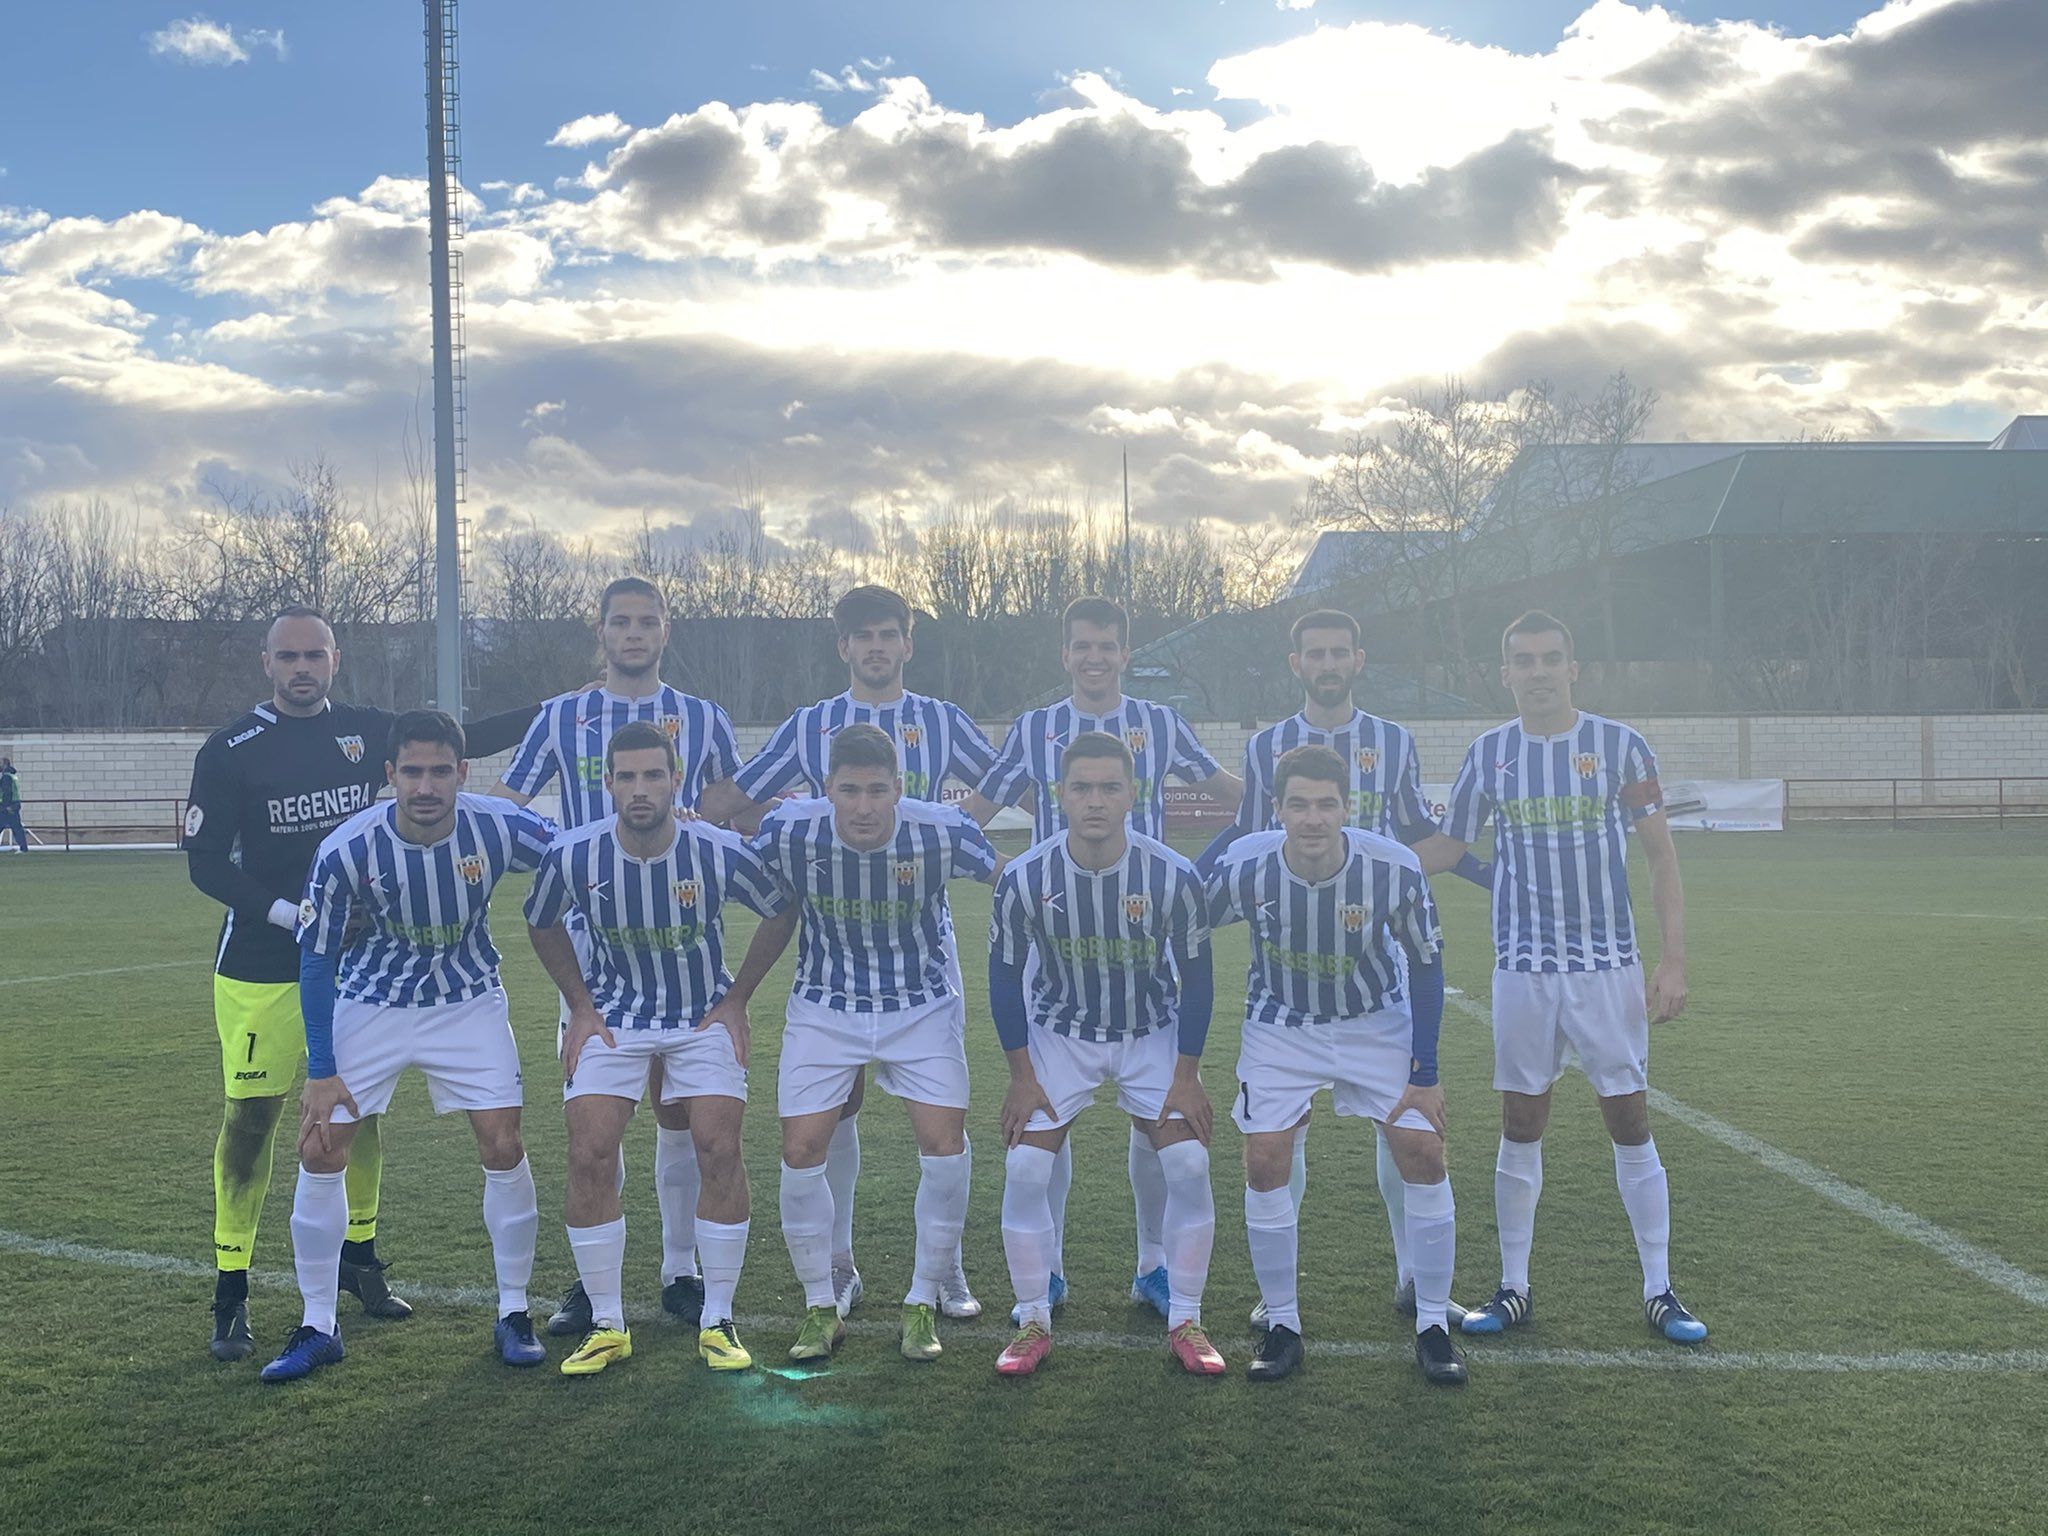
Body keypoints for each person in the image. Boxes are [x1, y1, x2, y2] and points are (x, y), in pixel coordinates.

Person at [183, 605, 541, 1362]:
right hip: (263, 957)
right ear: (267, 663)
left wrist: (562, 707)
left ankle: (360, 1262)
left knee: (357, 1121)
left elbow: (461, 736)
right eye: (289, 656)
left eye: (316, 654)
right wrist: (289, 912)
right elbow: (206, 862)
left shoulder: (369, 732)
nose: (303, 668)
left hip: (367, 964)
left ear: (336, 659)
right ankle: (232, 1286)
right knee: (258, 1119)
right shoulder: (230, 750)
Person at [696, 584, 995, 1322]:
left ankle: (946, 1268)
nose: (876, 647)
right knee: (835, 1110)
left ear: (907, 642)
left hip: (922, 951)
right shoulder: (812, 726)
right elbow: (744, 794)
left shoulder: (940, 721)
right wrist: (678, 827)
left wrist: (947, 834)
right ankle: (838, 1263)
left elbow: (1009, 787)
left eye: (889, 634)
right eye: (863, 636)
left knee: (939, 1127)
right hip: (830, 944)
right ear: (843, 647)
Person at [1413, 610, 1705, 1345]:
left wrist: (1671, 962)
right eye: (1522, 660)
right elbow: (1450, 847)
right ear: (1503, 671)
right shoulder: (1489, 755)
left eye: (1550, 659)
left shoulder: (1618, 747)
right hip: (1523, 970)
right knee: (1520, 1122)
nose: (1537, 672)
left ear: (1573, 668)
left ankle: (1659, 1288)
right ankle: (1514, 1287)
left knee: (1629, 1119)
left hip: (1607, 969)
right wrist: (1359, 860)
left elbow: (1661, 856)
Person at [963, 596, 1243, 1326]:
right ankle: (1046, 1274)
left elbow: (1231, 796)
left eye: (1107, 646)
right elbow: (980, 809)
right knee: (1044, 1126)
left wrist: (1287, 816)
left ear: (1125, 652)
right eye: (1082, 645)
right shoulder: (1035, 729)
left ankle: (1154, 1265)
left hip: (1149, 940)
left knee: (1158, 1131)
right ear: (1066, 654)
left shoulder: (1160, 724)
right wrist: (981, 862)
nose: (1094, 657)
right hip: (1058, 935)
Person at [258, 712, 555, 1381]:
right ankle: (317, 1324)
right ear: (389, 775)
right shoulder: (346, 849)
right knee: (320, 1144)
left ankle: (513, 1312)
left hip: (467, 1002)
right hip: (372, 1004)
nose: (426, 786)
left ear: (462, 773)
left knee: (503, 1144)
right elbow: (316, 961)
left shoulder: (497, 825)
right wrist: (322, 1071)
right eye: (412, 772)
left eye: (440, 771)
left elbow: (580, 851)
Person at [1195, 608, 1470, 1329]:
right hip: (1286, 965)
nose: (1327, 662)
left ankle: (1418, 1275)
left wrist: (1487, 869)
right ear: (1296, 662)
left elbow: (1413, 827)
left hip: (1371, 955)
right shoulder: (1265, 749)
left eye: (1338, 651)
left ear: (1357, 658)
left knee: (1404, 1133)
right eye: (1314, 651)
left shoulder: (1393, 741)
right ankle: (1278, 1298)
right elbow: (1243, 838)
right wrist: (1180, 886)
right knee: (1279, 1142)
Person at [490, 575, 741, 1339]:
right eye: (620, 622)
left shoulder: (701, 718)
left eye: (647, 622)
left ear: (667, 631)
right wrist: (564, 854)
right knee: (595, 1126)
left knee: (677, 1114)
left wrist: (712, 823)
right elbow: (511, 803)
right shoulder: (562, 716)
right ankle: (589, 1285)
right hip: (592, 959)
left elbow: (733, 802)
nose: (633, 634)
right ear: (599, 631)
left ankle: (679, 1272)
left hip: (684, 954)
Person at [524, 722, 786, 1376]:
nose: (641, 790)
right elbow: (540, 919)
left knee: (719, 1147)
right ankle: (608, 1324)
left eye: (653, 776)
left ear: (675, 781)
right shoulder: (574, 853)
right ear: (607, 784)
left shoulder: (715, 849)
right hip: (613, 1018)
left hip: (701, 1015)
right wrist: (580, 1005)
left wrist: (738, 1000)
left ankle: (717, 1319)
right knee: (589, 1152)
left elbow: (781, 908)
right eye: (627, 777)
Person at [988, 732, 1223, 1378]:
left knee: (1190, 1163)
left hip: (1150, 1033)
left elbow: (1198, 980)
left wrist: (1186, 1076)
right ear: (1059, 796)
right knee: (1025, 1173)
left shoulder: (1174, 876)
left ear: (1133, 795)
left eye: (1109, 787)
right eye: (1082, 787)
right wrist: (1020, 1076)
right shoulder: (1024, 878)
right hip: (1058, 1036)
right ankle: (1033, 1315)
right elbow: (1004, 979)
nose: (1095, 800)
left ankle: (1186, 1319)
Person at [0, 752, 24, 851]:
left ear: (4, 765)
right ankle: (24, 848)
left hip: (8, 807)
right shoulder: (12, 776)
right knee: (17, 828)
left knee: (16, 828)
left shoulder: (6, 777)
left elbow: (7, 792)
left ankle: (24, 848)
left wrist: (6, 806)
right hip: (14, 805)